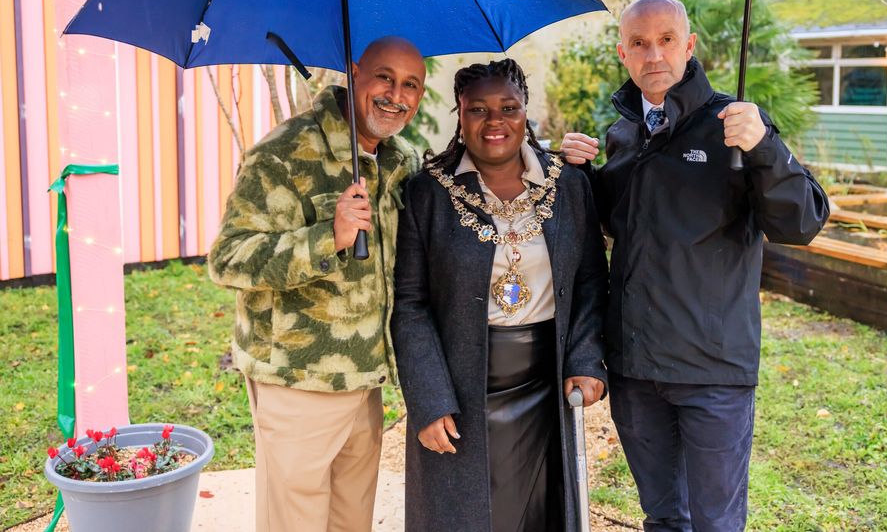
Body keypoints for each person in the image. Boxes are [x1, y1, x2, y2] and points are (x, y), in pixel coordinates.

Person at [561, 0, 830, 532]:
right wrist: (581, 176)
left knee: (715, 523)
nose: (653, 54)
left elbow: (802, 223)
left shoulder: (736, 125)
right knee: (663, 517)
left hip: (712, 370)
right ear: (623, 52)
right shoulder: (623, 134)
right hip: (636, 368)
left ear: (689, 46)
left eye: (665, 40)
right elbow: (619, 226)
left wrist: (766, 149)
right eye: (639, 42)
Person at [208, 37, 426, 532]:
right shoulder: (283, 155)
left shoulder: (401, 161)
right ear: (353, 71)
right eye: (384, 77)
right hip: (296, 380)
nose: (397, 94)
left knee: (352, 522)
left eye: (411, 83)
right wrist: (328, 237)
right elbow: (228, 259)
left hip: (366, 379)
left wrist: (544, 157)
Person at [392, 58, 608, 532]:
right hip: (462, 386)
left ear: (525, 112)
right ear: (460, 114)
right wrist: (429, 400)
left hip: (546, 384)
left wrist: (586, 360)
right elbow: (410, 305)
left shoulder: (568, 185)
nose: (495, 122)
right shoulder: (428, 193)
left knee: (543, 513)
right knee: (462, 516)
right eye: (478, 110)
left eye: (509, 107)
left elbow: (592, 280)